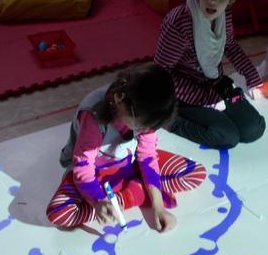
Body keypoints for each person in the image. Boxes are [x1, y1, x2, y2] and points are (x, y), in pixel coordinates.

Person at [46, 63, 178, 232]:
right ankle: (128, 196)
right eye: (140, 126)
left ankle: (126, 196)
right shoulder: (93, 115)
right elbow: (83, 168)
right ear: (120, 101)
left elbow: (147, 155)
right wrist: (98, 201)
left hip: (129, 165)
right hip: (94, 173)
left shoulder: (143, 110)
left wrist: (158, 207)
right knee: (59, 213)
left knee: (194, 173)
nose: (144, 131)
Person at [155, 0, 266, 148]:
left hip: (214, 83)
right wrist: (204, 98)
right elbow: (162, 73)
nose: (212, 0)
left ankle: (217, 107)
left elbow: (230, 45)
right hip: (181, 93)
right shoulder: (179, 23)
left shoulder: (223, 15)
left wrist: (251, 77)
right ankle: (171, 120)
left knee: (254, 128)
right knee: (227, 137)